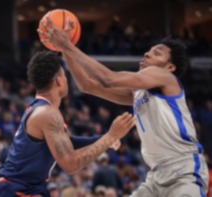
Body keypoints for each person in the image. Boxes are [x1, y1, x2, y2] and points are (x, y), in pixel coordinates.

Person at [38, 18, 209, 197]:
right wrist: (65, 48)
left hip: (184, 170)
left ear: (170, 67)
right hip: (156, 176)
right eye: (148, 51)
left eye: (157, 53)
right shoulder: (139, 93)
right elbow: (88, 86)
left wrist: (69, 46)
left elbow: (108, 79)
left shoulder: (166, 77)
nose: (147, 54)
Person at [0, 51, 136, 197]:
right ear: (59, 80)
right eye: (66, 76)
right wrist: (110, 136)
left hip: (25, 188)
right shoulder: (47, 114)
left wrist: (103, 139)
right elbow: (70, 163)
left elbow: (67, 143)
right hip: (14, 189)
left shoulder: (40, 109)